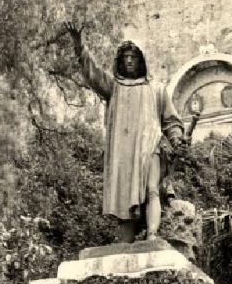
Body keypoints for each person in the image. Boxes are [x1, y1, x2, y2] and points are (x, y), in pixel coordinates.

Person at [65, 23, 185, 242]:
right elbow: (93, 75)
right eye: (125, 57)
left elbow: (171, 121)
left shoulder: (156, 89)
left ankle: (152, 235)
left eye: (134, 56)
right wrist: (79, 47)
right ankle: (125, 245)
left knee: (152, 190)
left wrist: (177, 138)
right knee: (124, 200)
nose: (129, 60)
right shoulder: (114, 87)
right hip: (124, 152)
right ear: (120, 61)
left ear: (142, 60)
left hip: (150, 144)